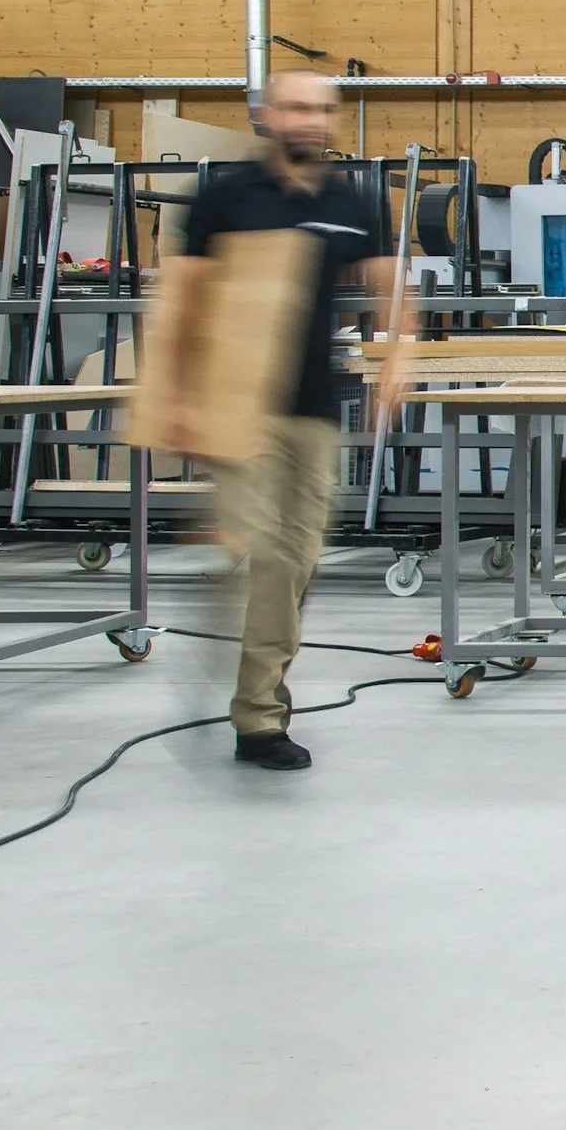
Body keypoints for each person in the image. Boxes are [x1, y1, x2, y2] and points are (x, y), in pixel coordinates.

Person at [145, 71, 415, 770]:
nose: (311, 120)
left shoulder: (350, 200)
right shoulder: (224, 196)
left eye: (322, 110)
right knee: (265, 559)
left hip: (314, 411)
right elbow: (180, 299)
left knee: (296, 563)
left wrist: (399, 353)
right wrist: (172, 396)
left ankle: (250, 682)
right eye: (297, 107)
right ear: (267, 114)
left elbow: (392, 284)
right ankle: (259, 721)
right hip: (239, 404)